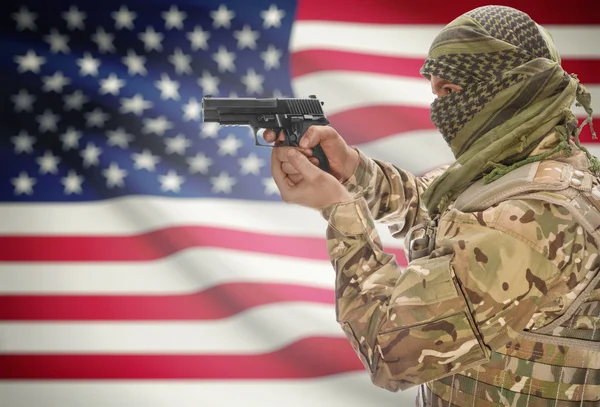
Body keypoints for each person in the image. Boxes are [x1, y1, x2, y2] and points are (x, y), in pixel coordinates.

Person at [264, 5, 600, 407]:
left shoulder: (533, 219)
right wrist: (352, 168)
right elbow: (435, 211)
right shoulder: (517, 169)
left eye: (451, 92)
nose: (439, 109)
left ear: (509, 85)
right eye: (435, 92)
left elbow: (392, 354)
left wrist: (340, 210)